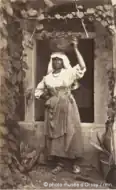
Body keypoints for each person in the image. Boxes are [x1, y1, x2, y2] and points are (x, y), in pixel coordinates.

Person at [35, 38, 86, 174]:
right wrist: (49, 98)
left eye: (59, 59)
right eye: (54, 60)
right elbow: (38, 91)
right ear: (51, 62)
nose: (56, 62)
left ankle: (75, 163)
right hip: (53, 109)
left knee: (71, 131)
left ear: (63, 62)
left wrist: (75, 48)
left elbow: (81, 66)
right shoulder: (48, 78)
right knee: (56, 136)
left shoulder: (67, 73)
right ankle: (60, 163)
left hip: (68, 106)